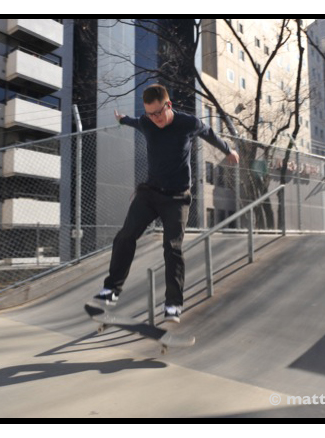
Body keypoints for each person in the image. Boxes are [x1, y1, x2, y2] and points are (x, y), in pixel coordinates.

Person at [93, 84, 239, 322]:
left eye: (159, 112)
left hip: (177, 198)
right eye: (150, 114)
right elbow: (134, 122)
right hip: (150, 193)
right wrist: (122, 120)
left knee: (172, 247)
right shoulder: (147, 122)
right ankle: (111, 289)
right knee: (125, 235)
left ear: (168, 105)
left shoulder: (188, 123)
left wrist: (228, 150)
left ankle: (173, 303)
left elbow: (210, 133)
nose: (155, 119)